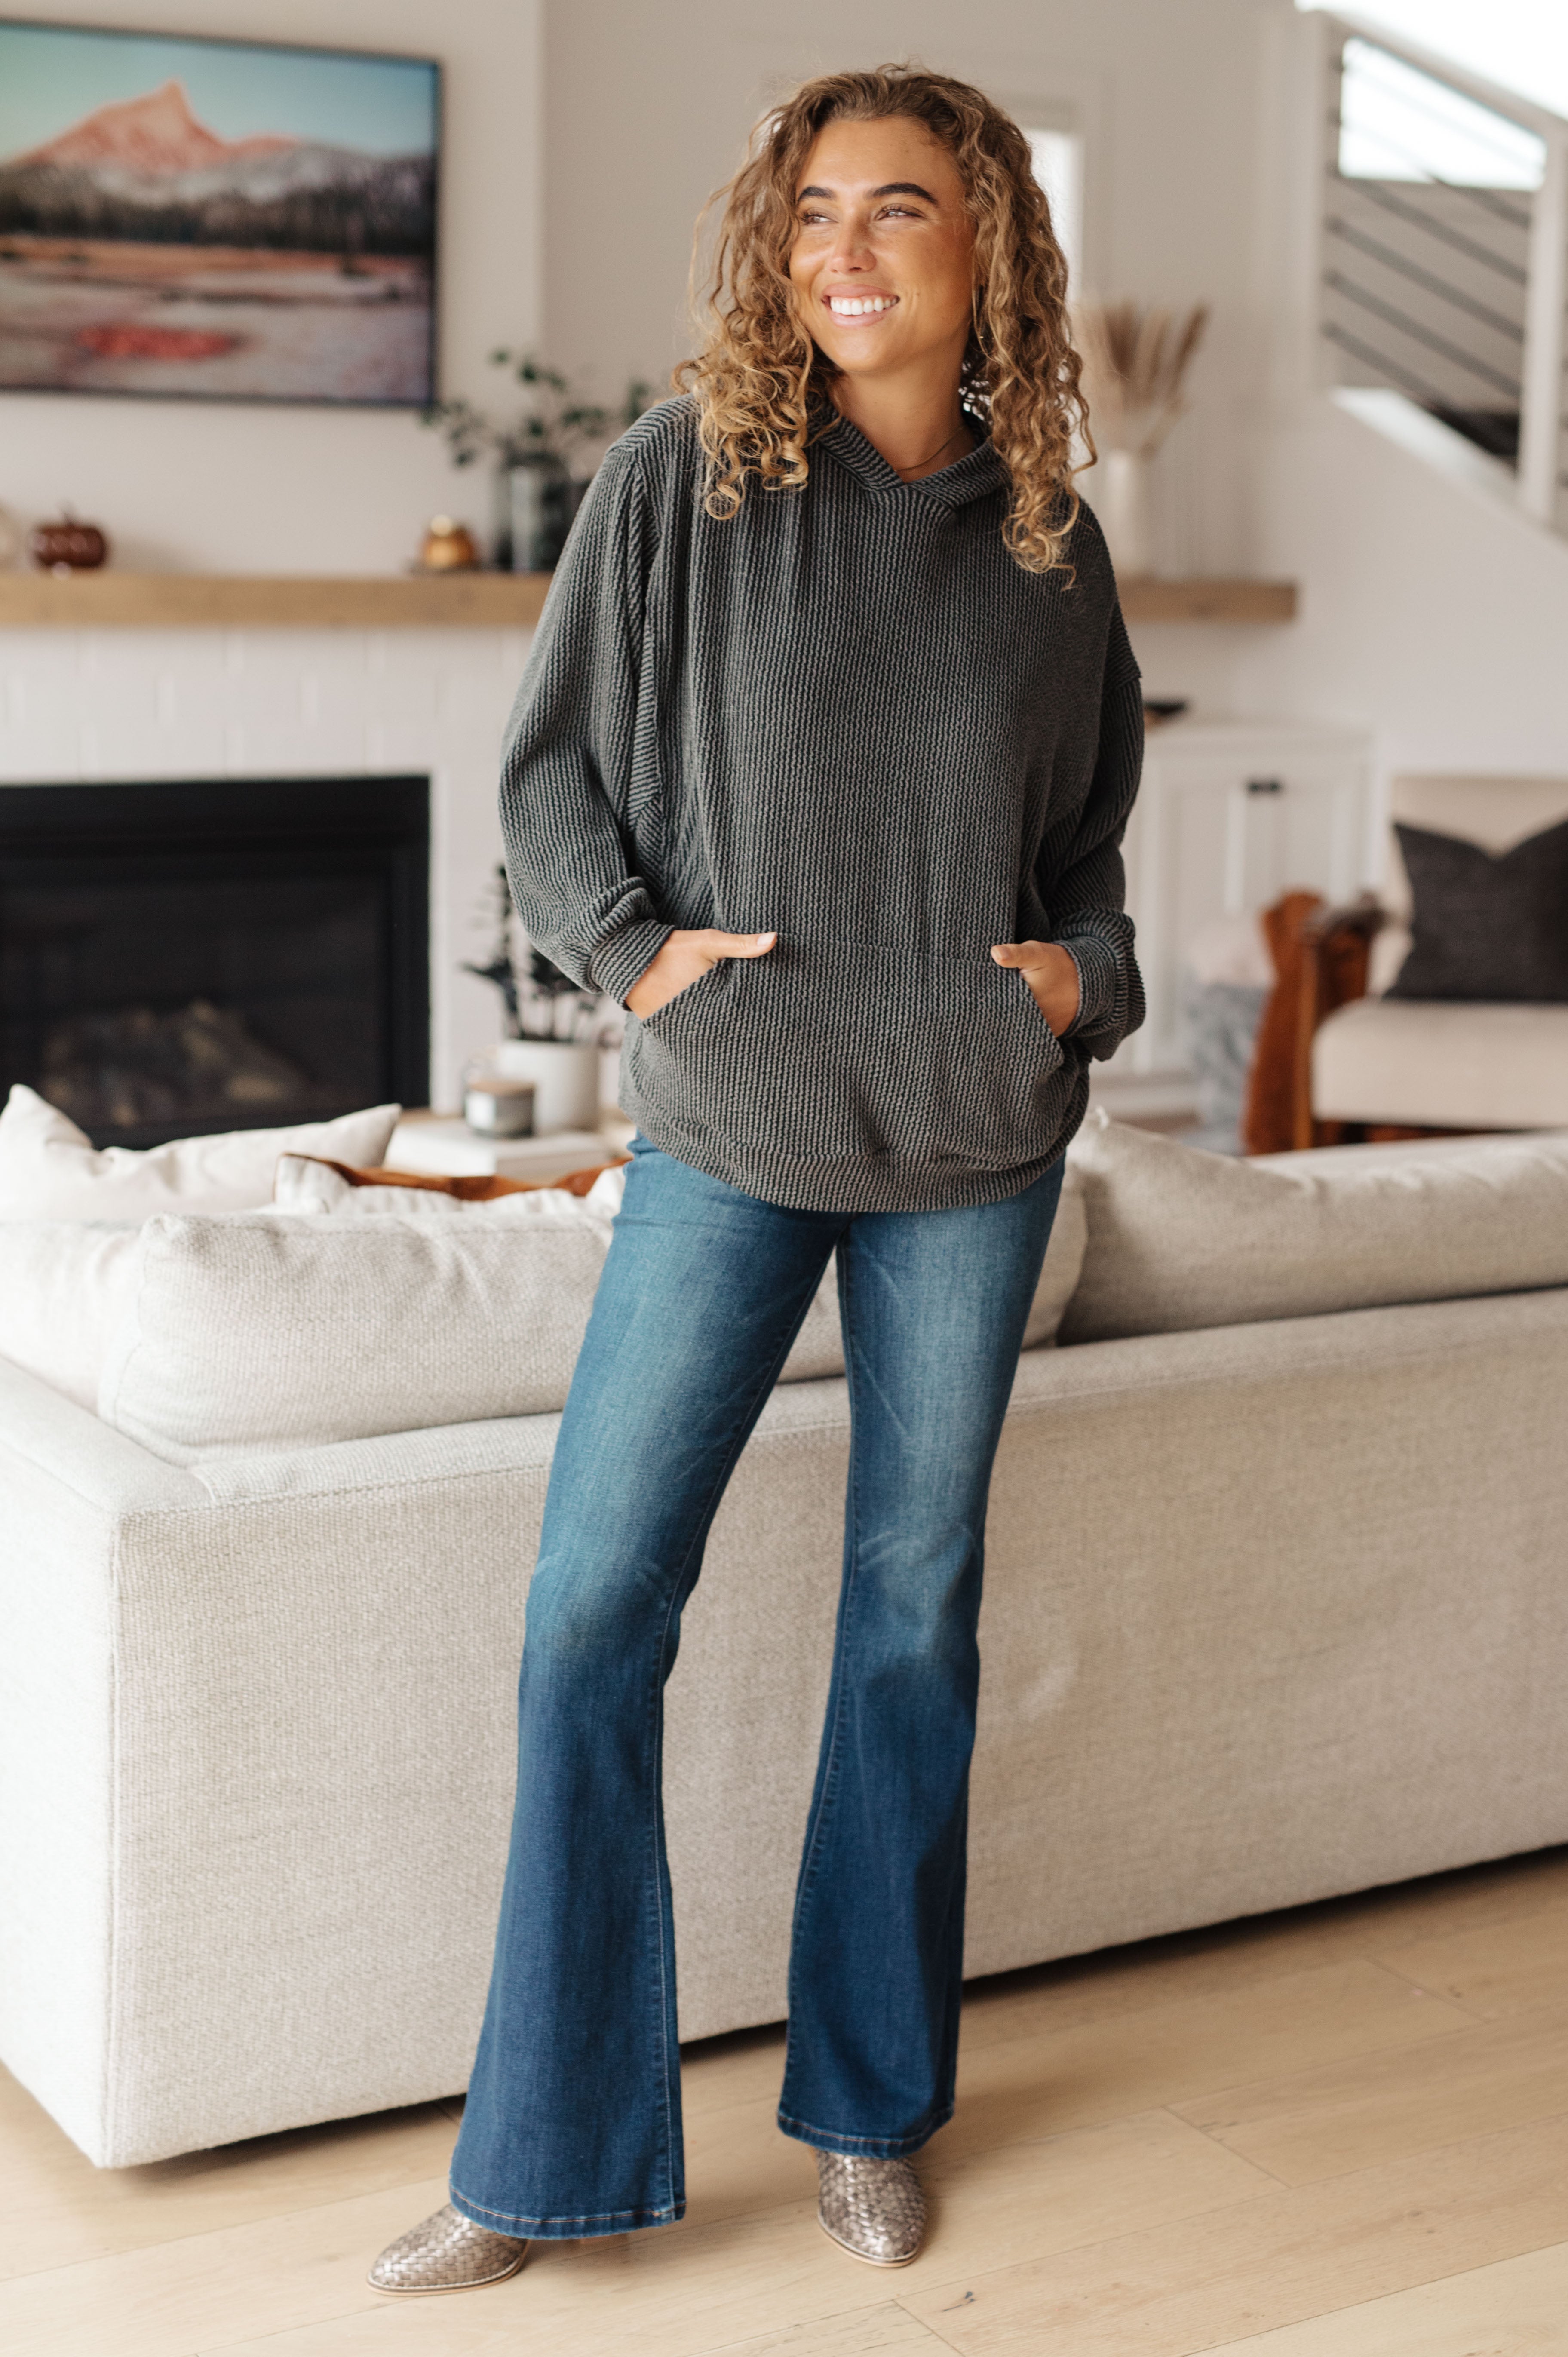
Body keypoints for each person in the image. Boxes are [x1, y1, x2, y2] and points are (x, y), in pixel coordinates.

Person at [369, 62, 1144, 2298]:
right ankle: (538, 2159)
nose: (849, 254)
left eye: (902, 211)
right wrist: (638, 960)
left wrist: (1074, 990)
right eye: (816, 214)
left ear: (987, 246)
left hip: (976, 1142)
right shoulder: (683, 482)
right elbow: (543, 785)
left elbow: (1089, 856)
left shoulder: (1050, 544)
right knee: (592, 1612)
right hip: (731, 1119)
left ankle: (875, 2112)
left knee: (912, 1625)